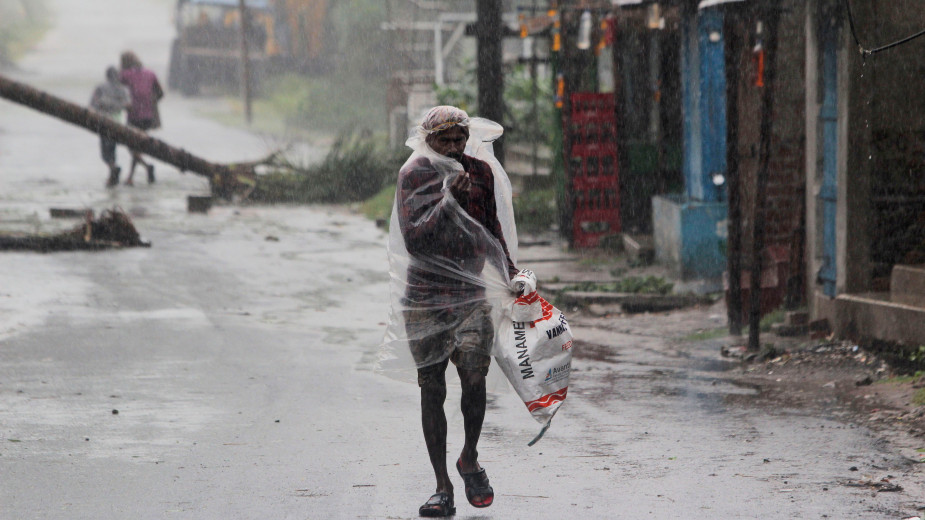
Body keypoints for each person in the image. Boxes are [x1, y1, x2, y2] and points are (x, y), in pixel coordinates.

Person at [388, 106, 525, 517]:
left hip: (469, 294)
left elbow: (491, 231)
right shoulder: (415, 175)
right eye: (444, 140)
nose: (453, 147)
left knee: (474, 378)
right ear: (427, 139)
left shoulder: (479, 173)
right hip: (425, 299)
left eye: (459, 139)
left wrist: (512, 273)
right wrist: (449, 200)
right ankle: (442, 485)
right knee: (432, 388)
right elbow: (415, 240)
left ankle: (469, 456)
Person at [119, 50, 163, 186]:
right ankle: (132, 176)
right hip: (148, 117)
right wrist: (150, 103)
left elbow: (117, 90)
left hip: (134, 116)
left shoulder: (125, 75)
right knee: (137, 145)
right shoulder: (151, 74)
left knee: (132, 145)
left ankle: (144, 168)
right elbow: (160, 93)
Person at [89, 66, 131, 188]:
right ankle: (112, 172)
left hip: (103, 121)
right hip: (117, 122)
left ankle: (112, 168)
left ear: (107, 76)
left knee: (104, 151)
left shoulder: (100, 88)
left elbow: (93, 104)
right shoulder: (122, 89)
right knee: (112, 147)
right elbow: (127, 105)